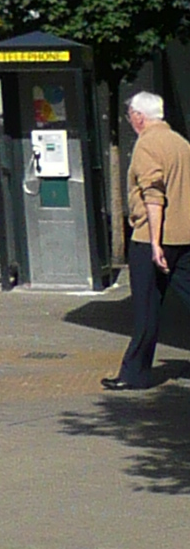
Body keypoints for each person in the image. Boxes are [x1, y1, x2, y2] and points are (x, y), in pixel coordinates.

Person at [106, 90, 190, 393]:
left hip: (151, 239)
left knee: (146, 307)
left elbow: (153, 196)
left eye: (130, 115)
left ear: (140, 116)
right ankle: (133, 371)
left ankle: (134, 373)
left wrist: (155, 242)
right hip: (186, 238)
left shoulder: (147, 145)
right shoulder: (181, 144)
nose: (130, 120)